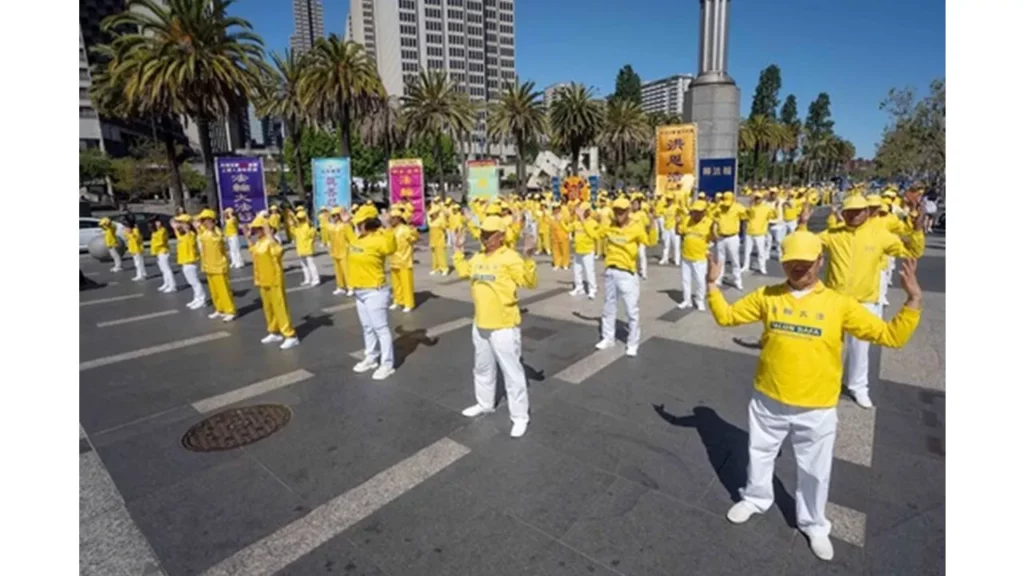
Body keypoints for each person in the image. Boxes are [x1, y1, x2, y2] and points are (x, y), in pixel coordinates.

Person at [705, 230, 922, 561]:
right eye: (792, 262)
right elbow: (727, 317)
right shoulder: (767, 296)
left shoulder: (840, 305)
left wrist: (913, 301)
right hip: (769, 398)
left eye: (806, 263)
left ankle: (813, 523)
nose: (798, 269)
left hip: (816, 406)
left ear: (820, 262)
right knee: (760, 453)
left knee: (815, 471)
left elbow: (888, 336)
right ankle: (755, 498)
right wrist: (712, 286)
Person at [796, 194, 925, 408]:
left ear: (867, 212)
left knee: (860, 348)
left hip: (863, 301)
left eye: (859, 211)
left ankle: (858, 387)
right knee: (826, 344)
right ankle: (824, 381)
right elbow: (805, 245)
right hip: (833, 300)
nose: (854, 215)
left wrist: (918, 229)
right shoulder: (833, 234)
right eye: (850, 211)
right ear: (843, 213)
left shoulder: (880, 235)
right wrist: (802, 224)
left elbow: (913, 250)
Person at [452, 215, 538, 438]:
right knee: (482, 367)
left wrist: (528, 256)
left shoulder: (510, 257)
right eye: (483, 233)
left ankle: (520, 416)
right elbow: (463, 272)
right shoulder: (478, 257)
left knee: (512, 372)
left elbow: (529, 282)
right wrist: (458, 251)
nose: (484, 237)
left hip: (504, 324)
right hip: (480, 322)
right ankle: (484, 403)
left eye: (490, 234)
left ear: (501, 236)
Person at [594, 197, 659, 356]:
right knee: (609, 307)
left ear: (628, 212)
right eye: (616, 211)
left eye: (622, 211)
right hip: (611, 271)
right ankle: (608, 338)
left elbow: (650, 242)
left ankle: (632, 343)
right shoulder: (610, 226)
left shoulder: (636, 228)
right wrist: (586, 219)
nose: (618, 214)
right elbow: (595, 234)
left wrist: (651, 224)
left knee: (631, 310)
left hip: (627, 273)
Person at [344, 205, 398, 380]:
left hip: (375, 291)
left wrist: (388, 226)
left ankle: (387, 364)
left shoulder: (379, 239)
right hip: (359, 291)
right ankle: (371, 357)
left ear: (366, 223)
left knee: (380, 328)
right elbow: (349, 240)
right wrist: (346, 224)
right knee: (367, 327)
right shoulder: (358, 239)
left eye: (359, 222)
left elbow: (390, 248)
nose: (356, 224)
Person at [244, 213, 299, 349]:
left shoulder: (272, 242)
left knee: (280, 307)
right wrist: (248, 238)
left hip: (274, 279)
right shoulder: (259, 242)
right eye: (255, 228)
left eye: (258, 228)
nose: (256, 231)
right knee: (268, 308)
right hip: (263, 279)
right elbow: (253, 252)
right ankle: (274, 331)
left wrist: (269, 235)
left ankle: (290, 335)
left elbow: (278, 252)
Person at [196, 209, 236, 321]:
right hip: (209, 265)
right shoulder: (203, 232)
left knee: (223, 290)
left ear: (211, 220)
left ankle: (230, 310)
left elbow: (219, 241)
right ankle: (219, 309)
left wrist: (212, 228)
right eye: (202, 220)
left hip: (219, 265)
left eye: (205, 219)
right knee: (214, 291)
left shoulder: (217, 231)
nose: (203, 222)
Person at [677, 200, 714, 310]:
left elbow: (713, 239)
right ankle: (686, 300)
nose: (696, 214)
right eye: (694, 211)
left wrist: (713, 231)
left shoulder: (709, 222)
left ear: (704, 212)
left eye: (698, 212)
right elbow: (679, 232)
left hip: (699, 257)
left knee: (700, 280)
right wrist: (677, 223)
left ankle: (699, 300)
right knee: (685, 280)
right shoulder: (687, 220)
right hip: (686, 255)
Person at [713, 191, 747, 290]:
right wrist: (715, 231)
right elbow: (713, 217)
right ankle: (719, 279)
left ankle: (738, 281)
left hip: (732, 237)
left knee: (734, 260)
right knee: (720, 260)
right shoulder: (719, 207)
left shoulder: (738, 207)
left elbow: (746, 215)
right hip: (721, 237)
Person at [172, 214, 206, 309]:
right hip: (185, 263)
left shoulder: (191, 234)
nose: (178, 225)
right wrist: (176, 226)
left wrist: (187, 224)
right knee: (191, 282)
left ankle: (201, 300)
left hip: (191, 263)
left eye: (181, 223)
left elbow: (190, 233)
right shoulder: (181, 236)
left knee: (195, 282)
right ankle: (196, 298)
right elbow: (175, 227)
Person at [389, 207, 419, 312]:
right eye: (390, 218)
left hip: (404, 261)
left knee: (406, 284)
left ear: (398, 218)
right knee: (396, 284)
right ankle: (397, 300)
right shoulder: (391, 229)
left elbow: (414, 239)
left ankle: (408, 303)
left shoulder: (405, 229)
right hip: (394, 260)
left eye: (393, 218)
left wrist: (413, 229)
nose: (391, 220)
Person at [742, 191, 777, 275]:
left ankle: (762, 268)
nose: (757, 200)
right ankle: (745, 266)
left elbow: (774, 216)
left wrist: (775, 207)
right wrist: (749, 206)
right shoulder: (751, 207)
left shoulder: (766, 208)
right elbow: (744, 217)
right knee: (747, 251)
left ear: (762, 199)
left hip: (760, 234)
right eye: (756, 198)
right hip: (749, 232)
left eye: (759, 198)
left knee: (761, 252)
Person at [569, 203, 599, 298]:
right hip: (578, 250)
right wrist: (560, 221)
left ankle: (592, 289)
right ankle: (579, 287)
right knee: (577, 271)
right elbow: (567, 229)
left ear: (588, 211)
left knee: (589, 271)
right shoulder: (576, 222)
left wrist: (583, 220)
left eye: (582, 211)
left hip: (588, 250)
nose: (580, 213)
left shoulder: (593, 223)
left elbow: (593, 235)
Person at [326, 207, 352, 296]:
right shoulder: (332, 226)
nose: (334, 217)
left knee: (346, 270)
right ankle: (340, 287)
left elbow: (351, 238)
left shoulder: (345, 225)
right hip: (335, 251)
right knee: (338, 271)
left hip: (344, 251)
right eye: (333, 216)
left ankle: (350, 286)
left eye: (336, 215)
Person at [292, 209, 320, 287]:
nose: (299, 220)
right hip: (300, 248)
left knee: (311, 264)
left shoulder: (308, 227)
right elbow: (293, 233)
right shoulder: (298, 227)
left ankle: (315, 279)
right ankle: (307, 279)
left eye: (300, 218)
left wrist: (311, 242)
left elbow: (314, 235)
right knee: (304, 266)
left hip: (307, 248)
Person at [150, 218, 176, 292]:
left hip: (163, 251)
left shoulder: (163, 230)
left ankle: (172, 285)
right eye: (156, 222)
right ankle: (166, 283)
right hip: (158, 252)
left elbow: (161, 241)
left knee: (167, 269)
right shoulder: (155, 231)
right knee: (163, 270)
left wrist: (154, 246)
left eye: (158, 222)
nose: (157, 223)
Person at [630, 197, 652, 279]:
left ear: (639, 205)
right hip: (632, 238)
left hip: (641, 238)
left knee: (642, 255)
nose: (634, 206)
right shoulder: (630, 214)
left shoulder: (642, 214)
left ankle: (643, 272)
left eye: (636, 204)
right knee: (634, 256)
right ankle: (635, 270)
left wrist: (647, 233)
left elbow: (647, 224)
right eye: (633, 204)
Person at [659, 196, 681, 266]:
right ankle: (665, 258)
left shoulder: (676, 207)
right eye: (667, 200)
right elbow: (658, 214)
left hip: (674, 228)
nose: (669, 201)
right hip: (666, 228)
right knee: (666, 244)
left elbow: (683, 212)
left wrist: (679, 219)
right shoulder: (664, 208)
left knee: (676, 245)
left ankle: (677, 260)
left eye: (670, 200)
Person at [428, 203, 448, 275]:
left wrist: (443, 237)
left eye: (432, 214)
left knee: (441, 255)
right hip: (432, 240)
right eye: (430, 215)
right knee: (434, 255)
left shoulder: (440, 220)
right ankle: (435, 268)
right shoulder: (430, 221)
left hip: (440, 240)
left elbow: (444, 229)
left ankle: (444, 268)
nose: (431, 216)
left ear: (436, 214)